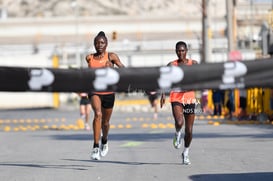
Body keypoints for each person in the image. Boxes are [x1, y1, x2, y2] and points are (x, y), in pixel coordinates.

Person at [86, 31, 125, 160]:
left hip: (109, 92)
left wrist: (113, 69)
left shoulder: (112, 56)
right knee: (98, 114)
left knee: (106, 123)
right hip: (94, 91)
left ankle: (105, 140)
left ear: (107, 44)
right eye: (97, 43)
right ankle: (95, 147)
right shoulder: (89, 58)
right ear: (94, 44)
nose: (100, 45)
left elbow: (124, 71)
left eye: (102, 42)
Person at [161, 41, 198, 165]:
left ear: (186, 51)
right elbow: (163, 79)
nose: (180, 53)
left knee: (189, 130)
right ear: (175, 51)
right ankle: (177, 133)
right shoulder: (171, 65)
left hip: (189, 98)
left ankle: (186, 152)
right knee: (179, 122)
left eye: (182, 50)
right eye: (178, 51)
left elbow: (202, 76)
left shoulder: (194, 64)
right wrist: (162, 94)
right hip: (176, 96)